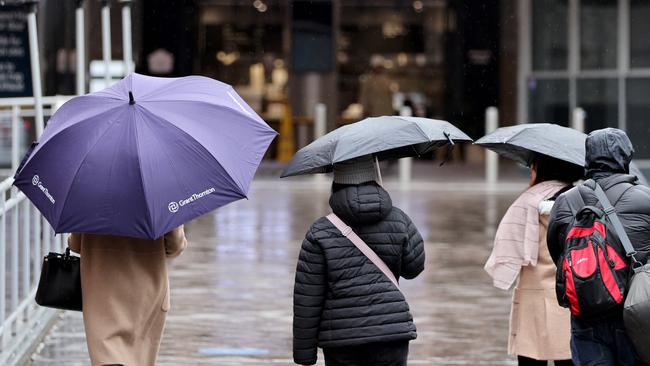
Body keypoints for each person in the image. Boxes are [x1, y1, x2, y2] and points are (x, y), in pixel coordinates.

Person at [292, 155, 425, 366]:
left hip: (341, 340)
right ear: (374, 179)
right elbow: (414, 268)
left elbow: (307, 298)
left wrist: (304, 353)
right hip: (391, 332)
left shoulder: (320, 232)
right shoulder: (400, 220)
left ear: (336, 184)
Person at [547, 128, 650, 366]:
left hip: (586, 313)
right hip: (635, 314)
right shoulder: (645, 199)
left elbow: (559, 253)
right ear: (626, 158)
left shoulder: (565, 201)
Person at [485, 154, 583, 366]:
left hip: (533, 294)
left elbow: (510, 243)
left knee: (530, 359)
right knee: (568, 357)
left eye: (533, 167)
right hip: (571, 294)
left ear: (543, 169)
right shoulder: (581, 200)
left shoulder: (528, 201)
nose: (531, 172)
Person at [68, 226, 187, 366]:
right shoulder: (158, 204)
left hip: (102, 293)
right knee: (139, 357)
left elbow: (75, 245)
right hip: (146, 290)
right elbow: (175, 246)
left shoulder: (87, 204)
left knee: (106, 357)